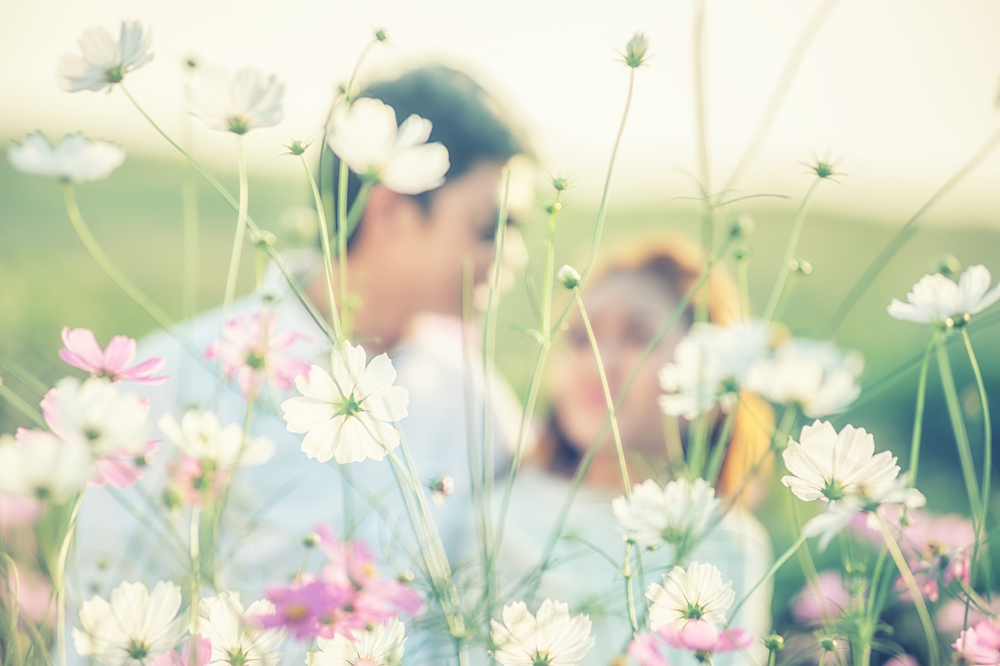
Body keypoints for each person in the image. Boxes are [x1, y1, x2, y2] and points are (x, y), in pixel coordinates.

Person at [70, 64, 528, 632]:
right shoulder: (178, 376)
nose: (514, 254)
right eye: (490, 227)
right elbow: (103, 616)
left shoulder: (474, 397)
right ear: (390, 211)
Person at [496, 234, 775, 666]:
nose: (600, 362)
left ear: (710, 379)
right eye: (581, 339)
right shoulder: (500, 515)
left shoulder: (727, 541)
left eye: (638, 338)